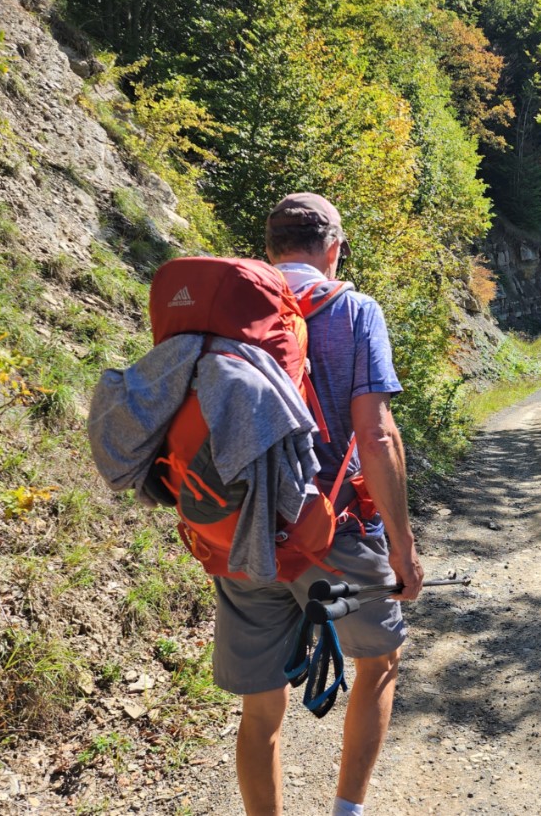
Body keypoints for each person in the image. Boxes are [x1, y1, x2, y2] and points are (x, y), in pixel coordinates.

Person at [212, 192, 424, 816]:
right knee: (379, 662)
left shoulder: (230, 314)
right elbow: (376, 435)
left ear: (270, 248)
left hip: (244, 533)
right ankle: (345, 811)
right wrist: (404, 548)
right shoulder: (354, 310)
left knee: (261, 707)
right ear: (335, 249)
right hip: (336, 534)